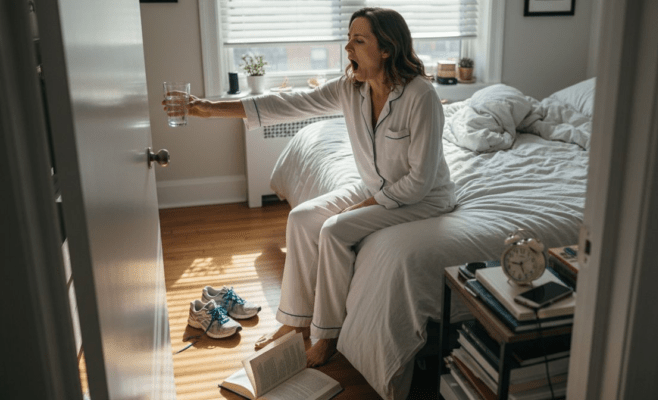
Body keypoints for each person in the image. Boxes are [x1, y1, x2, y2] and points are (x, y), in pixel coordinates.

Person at [164, 7, 456, 367]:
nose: (348, 47)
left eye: (359, 40)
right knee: (302, 218)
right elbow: (289, 103)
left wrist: (363, 206)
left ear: (386, 48)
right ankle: (293, 323)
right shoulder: (352, 88)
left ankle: (327, 336)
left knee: (334, 230)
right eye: (349, 38)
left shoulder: (420, 96)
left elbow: (419, 181)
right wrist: (208, 108)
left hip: (423, 198)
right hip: (375, 185)